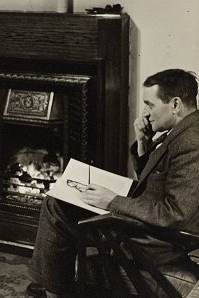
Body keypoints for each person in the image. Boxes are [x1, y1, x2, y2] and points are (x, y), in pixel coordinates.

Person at [27, 69, 199, 297]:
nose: (146, 113)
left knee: (56, 207)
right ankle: (54, 285)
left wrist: (112, 201)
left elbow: (178, 214)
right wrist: (143, 144)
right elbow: (157, 181)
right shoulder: (183, 130)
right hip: (148, 224)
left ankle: (54, 289)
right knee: (59, 201)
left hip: (156, 241)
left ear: (175, 104)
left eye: (150, 104)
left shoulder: (192, 142)